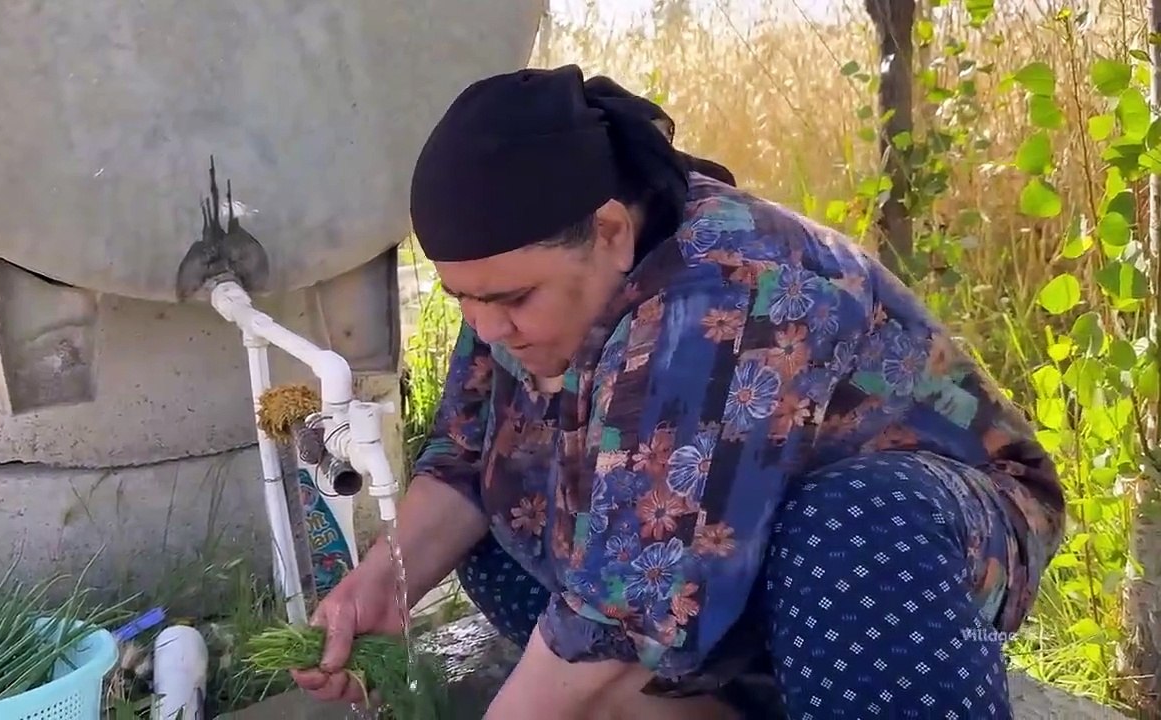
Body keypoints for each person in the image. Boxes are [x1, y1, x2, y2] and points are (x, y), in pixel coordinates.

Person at [290, 64, 1066, 719]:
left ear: (610, 231)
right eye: (465, 300)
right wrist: (383, 583)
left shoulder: (731, 291)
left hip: (915, 532)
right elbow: (464, 455)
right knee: (502, 511)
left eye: (511, 301)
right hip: (737, 553)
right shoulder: (522, 283)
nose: (489, 329)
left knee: (848, 526)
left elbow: (632, 594)